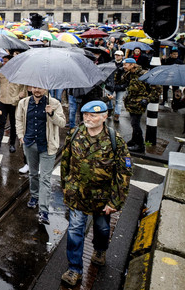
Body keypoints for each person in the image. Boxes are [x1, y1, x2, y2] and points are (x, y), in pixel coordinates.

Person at [60, 101, 132, 287]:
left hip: (102, 198)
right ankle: (74, 268)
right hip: (77, 195)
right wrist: (65, 186)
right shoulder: (75, 134)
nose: (88, 118)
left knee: (102, 228)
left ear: (104, 116)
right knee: (75, 230)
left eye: (93, 115)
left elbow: (123, 172)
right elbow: (65, 161)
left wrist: (115, 201)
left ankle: (100, 249)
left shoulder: (115, 140)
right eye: (85, 114)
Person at [15, 86, 66, 225]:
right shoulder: (23, 103)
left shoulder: (54, 103)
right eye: (35, 87)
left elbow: (62, 123)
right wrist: (21, 137)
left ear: (46, 89)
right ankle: (35, 196)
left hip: (47, 146)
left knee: (45, 178)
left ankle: (43, 211)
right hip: (30, 144)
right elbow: (18, 120)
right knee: (32, 174)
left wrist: (52, 114)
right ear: (30, 88)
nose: (37, 90)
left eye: (40, 88)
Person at [115, 58, 161, 153]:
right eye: (123, 65)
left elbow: (157, 89)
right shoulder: (129, 74)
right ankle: (134, 140)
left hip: (139, 103)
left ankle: (140, 145)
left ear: (132, 65)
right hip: (131, 102)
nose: (124, 66)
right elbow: (119, 83)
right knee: (133, 122)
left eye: (125, 65)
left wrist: (147, 99)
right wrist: (118, 73)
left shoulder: (144, 74)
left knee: (135, 123)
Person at [0, 56, 26, 154]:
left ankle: (12, 144)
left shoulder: (19, 73)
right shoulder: (1, 71)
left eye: (6, 61)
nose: (4, 63)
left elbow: (24, 88)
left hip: (14, 102)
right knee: (0, 124)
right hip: (2, 101)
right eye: (4, 61)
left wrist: (20, 96)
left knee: (14, 124)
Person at [104, 50, 126, 122]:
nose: (117, 56)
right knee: (108, 100)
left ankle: (117, 115)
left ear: (122, 56)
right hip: (110, 84)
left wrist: (124, 85)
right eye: (116, 55)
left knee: (118, 101)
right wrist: (107, 82)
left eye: (119, 55)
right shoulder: (110, 63)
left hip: (120, 85)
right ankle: (110, 109)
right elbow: (106, 73)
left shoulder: (125, 65)